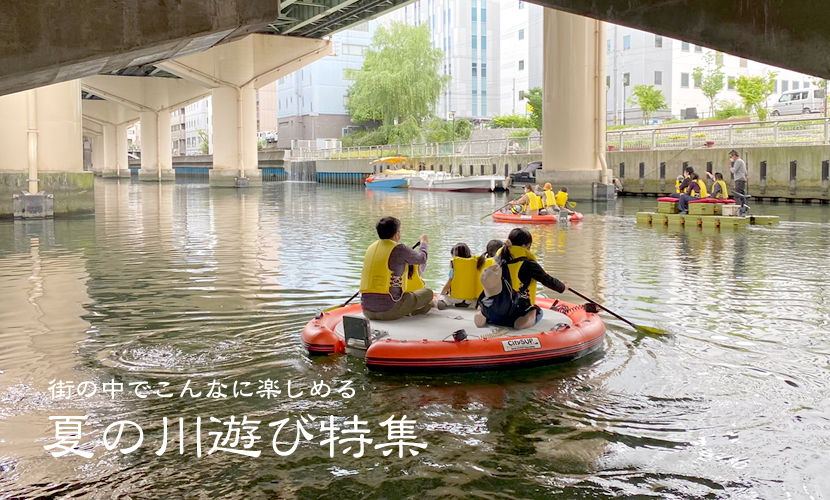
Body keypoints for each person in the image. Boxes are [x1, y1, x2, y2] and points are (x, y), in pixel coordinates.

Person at [474, 228, 569, 330]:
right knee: (536, 311)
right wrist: (563, 287)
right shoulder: (527, 264)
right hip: (512, 313)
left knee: (484, 304)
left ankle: (482, 313)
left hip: (491, 309)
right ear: (525, 246)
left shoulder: (498, 257)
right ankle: (521, 323)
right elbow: (547, 280)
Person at [360, 217, 432, 321]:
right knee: (427, 293)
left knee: (419, 302)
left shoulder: (371, 248)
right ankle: (414, 310)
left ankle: (416, 309)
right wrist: (423, 243)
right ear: (396, 234)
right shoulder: (400, 248)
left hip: (366, 310)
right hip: (390, 310)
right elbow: (422, 258)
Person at [436, 243, 476, 309]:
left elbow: (448, 284)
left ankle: (442, 302)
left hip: (456, 297)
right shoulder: (474, 264)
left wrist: (440, 295)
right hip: (471, 298)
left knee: (442, 299)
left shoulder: (455, 266)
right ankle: (469, 304)